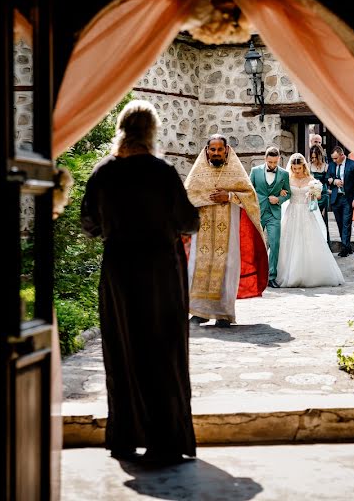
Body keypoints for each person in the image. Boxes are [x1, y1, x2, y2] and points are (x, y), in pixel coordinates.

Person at [80, 99, 199, 463]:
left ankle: (125, 436)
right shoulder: (161, 172)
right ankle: (166, 439)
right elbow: (188, 221)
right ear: (152, 131)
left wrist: (114, 228)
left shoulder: (104, 172)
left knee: (122, 347)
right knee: (163, 348)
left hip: (119, 270)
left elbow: (89, 222)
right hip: (161, 270)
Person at [185, 135, 268, 326]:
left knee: (228, 266)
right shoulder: (198, 172)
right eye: (212, 150)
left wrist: (229, 195)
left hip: (228, 229)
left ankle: (223, 314)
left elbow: (251, 198)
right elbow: (187, 196)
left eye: (219, 150)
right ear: (206, 150)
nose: (215, 153)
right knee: (200, 265)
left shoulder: (235, 172)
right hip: (202, 229)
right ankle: (200, 312)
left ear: (226, 150)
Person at [275, 153, 345, 287]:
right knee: (288, 240)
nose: (296, 171)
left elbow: (318, 198)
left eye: (298, 168)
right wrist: (282, 193)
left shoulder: (311, 179)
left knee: (309, 240)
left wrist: (313, 194)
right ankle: (286, 273)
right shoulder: (287, 179)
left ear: (303, 167)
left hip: (307, 212)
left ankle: (312, 274)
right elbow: (283, 193)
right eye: (294, 169)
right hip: (292, 211)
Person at [249, 147, 291, 288]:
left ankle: (271, 276)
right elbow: (250, 190)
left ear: (279, 159)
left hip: (274, 214)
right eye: (270, 162)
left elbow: (289, 193)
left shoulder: (284, 174)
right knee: (256, 244)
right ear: (265, 159)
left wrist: (278, 199)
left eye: (275, 162)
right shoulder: (255, 171)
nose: (273, 165)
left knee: (274, 244)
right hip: (258, 212)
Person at [327, 145, 354, 257]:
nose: (334, 160)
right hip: (336, 198)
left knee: (346, 223)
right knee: (340, 223)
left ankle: (344, 249)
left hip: (348, 198)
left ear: (342, 155)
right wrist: (333, 181)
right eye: (332, 158)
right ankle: (347, 247)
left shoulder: (353, 164)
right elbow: (326, 177)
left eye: (336, 158)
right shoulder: (332, 165)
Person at [308, 144, 332, 245]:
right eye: (312, 157)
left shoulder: (326, 166)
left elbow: (327, 180)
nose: (313, 159)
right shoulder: (309, 166)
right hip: (313, 196)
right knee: (313, 219)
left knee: (323, 219)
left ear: (320, 156)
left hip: (323, 195)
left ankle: (325, 245)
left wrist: (330, 181)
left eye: (315, 157)